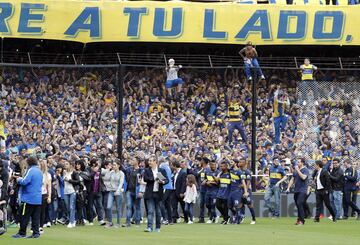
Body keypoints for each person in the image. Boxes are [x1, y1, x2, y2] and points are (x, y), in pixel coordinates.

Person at [12, 156, 43, 239]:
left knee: (24, 216)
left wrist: (18, 179)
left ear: (29, 163)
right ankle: (36, 233)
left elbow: (25, 181)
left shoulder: (31, 170)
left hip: (28, 198)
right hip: (38, 198)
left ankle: (22, 233)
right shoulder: (39, 171)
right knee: (35, 217)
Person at [143, 156, 169, 232]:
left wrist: (163, 182)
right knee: (150, 211)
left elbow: (166, 180)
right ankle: (149, 227)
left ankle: (158, 227)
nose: (149, 162)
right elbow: (145, 179)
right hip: (150, 194)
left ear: (155, 162)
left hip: (159, 194)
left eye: (151, 161)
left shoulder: (161, 170)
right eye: (149, 161)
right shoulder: (147, 170)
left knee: (158, 211)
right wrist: (154, 178)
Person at [286, 158, 310, 225]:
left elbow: (303, 177)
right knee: (298, 205)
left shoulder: (305, 170)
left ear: (302, 163)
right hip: (296, 190)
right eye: (297, 162)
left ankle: (302, 221)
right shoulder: (296, 171)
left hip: (303, 190)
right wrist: (288, 188)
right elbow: (292, 179)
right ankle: (299, 219)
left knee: (299, 203)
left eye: (299, 162)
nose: (297, 163)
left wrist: (298, 170)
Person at [102, 160, 125, 228]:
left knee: (118, 208)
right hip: (111, 191)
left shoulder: (121, 173)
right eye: (113, 165)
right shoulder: (111, 172)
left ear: (118, 166)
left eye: (115, 165)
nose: (113, 166)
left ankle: (118, 223)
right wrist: (108, 171)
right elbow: (106, 179)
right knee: (108, 207)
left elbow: (121, 183)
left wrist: (118, 191)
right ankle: (110, 222)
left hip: (118, 192)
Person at [123, 156, 143, 227]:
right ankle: (127, 222)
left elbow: (142, 181)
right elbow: (124, 173)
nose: (132, 161)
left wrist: (141, 191)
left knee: (137, 207)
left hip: (137, 191)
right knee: (128, 206)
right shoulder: (129, 169)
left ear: (137, 162)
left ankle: (137, 222)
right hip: (129, 190)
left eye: (133, 160)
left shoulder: (141, 171)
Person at [228, 159, 246, 224]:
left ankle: (237, 220)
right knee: (229, 206)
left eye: (231, 162)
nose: (230, 163)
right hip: (231, 191)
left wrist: (246, 192)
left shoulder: (239, 172)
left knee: (236, 205)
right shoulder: (231, 170)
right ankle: (236, 215)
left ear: (235, 163)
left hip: (237, 191)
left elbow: (243, 182)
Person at [63, 161, 79, 228]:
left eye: (67, 164)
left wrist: (69, 180)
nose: (65, 165)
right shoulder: (64, 172)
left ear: (70, 165)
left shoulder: (74, 172)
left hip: (72, 191)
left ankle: (71, 221)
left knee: (71, 207)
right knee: (67, 207)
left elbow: (77, 181)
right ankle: (72, 220)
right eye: (65, 164)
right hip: (66, 192)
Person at [239, 160, 256, 225]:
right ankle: (241, 216)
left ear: (244, 163)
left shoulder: (247, 172)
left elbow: (248, 182)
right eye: (239, 162)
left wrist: (246, 191)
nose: (239, 163)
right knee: (240, 204)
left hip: (246, 191)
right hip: (239, 191)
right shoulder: (238, 171)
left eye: (241, 162)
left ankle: (253, 219)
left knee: (249, 205)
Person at [39, 160, 52, 233]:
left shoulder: (48, 175)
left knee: (42, 211)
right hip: (36, 194)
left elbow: (49, 186)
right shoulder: (37, 173)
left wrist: (49, 196)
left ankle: (40, 226)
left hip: (44, 194)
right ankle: (36, 225)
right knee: (36, 210)